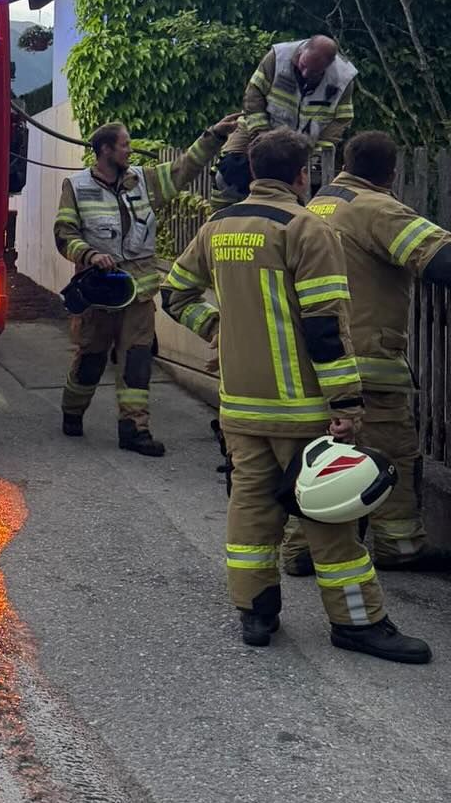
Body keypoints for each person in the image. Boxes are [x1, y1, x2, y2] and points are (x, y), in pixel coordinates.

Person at [163, 128, 428, 661]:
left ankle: (256, 611)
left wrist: (217, 330)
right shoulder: (305, 228)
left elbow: (173, 293)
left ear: (255, 169)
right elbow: (326, 328)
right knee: (330, 521)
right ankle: (358, 622)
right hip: (302, 410)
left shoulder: (218, 226)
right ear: (302, 174)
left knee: (251, 511)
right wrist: (348, 403)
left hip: (239, 405)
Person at [280, 129, 451, 573]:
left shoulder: (316, 204)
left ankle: (303, 549)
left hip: (317, 361)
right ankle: (400, 547)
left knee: (327, 455)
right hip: (368, 367)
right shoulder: (378, 208)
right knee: (392, 452)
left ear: (345, 163)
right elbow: (439, 258)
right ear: (391, 173)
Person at [55, 112, 237, 454]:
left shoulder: (143, 180)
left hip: (137, 294)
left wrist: (214, 136)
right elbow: (64, 234)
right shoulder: (76, 186)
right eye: (124, 145)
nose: (129, 150)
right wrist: (91, 255)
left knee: (137, 362)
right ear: (105, 150)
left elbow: (185, 169)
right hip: (98, 293)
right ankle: (72, 411)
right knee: (90, 360)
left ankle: (134, 430)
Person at [217, 36, 357, 198]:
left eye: (313, 72)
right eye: (303, 65)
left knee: (310, 180)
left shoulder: (343, 78)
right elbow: (253, 96)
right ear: (301, 50)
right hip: (261, 127)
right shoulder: (277, 57)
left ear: (328, 66)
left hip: (304, 142)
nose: (305, 73)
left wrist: (315, 149)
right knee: (229, 169)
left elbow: (342, 119)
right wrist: (261, 135)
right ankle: (239, 202)